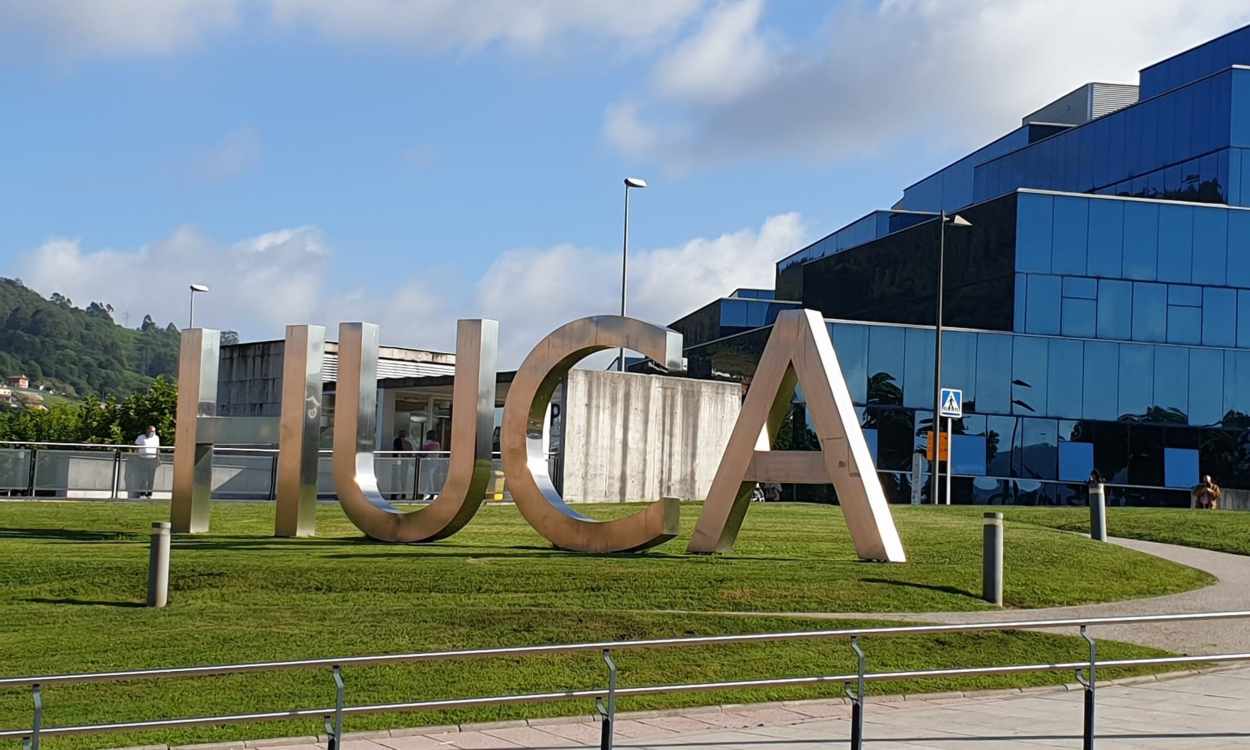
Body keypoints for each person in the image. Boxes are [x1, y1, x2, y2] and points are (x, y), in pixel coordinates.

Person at [133, 425, 160, 499]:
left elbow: (158, 449)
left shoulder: (156, 438)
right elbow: (136, 448)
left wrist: (158, 458)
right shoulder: (141, 437)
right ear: (147, 430)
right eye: (151, 431)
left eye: (154, 431)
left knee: (151, 478)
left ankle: (149, 494)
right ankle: (142, 493)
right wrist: (136, 457)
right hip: (143, 459)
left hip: (152, 460)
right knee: (143, 478)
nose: (153, 433)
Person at [390, 430, 413, 500]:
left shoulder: (397, 441)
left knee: (395, 478)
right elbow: (410, 454)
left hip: (397, 462)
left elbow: (396, 451)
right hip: (404, 462)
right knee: (403, 478)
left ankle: (395, 494)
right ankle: (403, 493)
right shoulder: (408, 443)